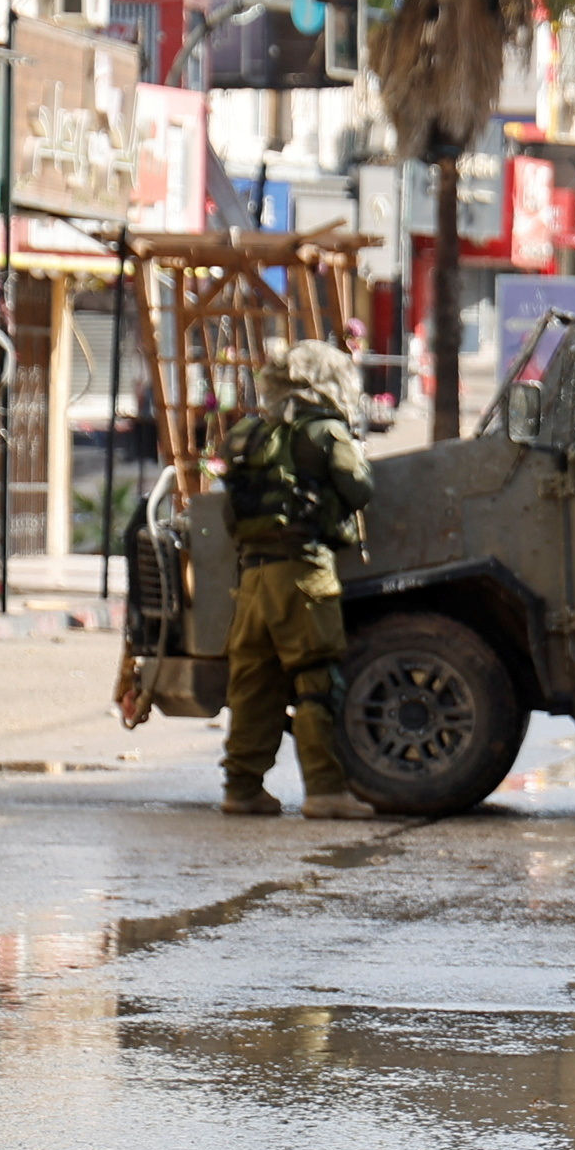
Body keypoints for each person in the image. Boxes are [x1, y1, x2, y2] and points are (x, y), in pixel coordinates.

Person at [217, 340, 377, 821]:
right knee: (314, 680)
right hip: (304, 574)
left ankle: (242, 789)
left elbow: (231, 513)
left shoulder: (247, 434)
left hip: (253, 578)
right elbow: (360, 487)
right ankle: (325, 790)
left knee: (254, 684)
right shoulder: (324, 432)